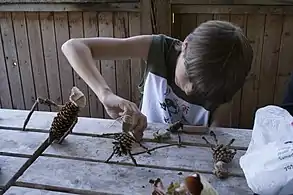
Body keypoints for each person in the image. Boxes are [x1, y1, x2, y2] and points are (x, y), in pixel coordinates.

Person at [61, 20, 253, 140]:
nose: (189, 90)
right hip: (143, 140)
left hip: (191, 156)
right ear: (185, 45)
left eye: (202, 92)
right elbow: (73, 46)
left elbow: (215, 134)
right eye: (188, 76)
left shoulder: (222, 83)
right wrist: (105, 94)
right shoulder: (159, 49)